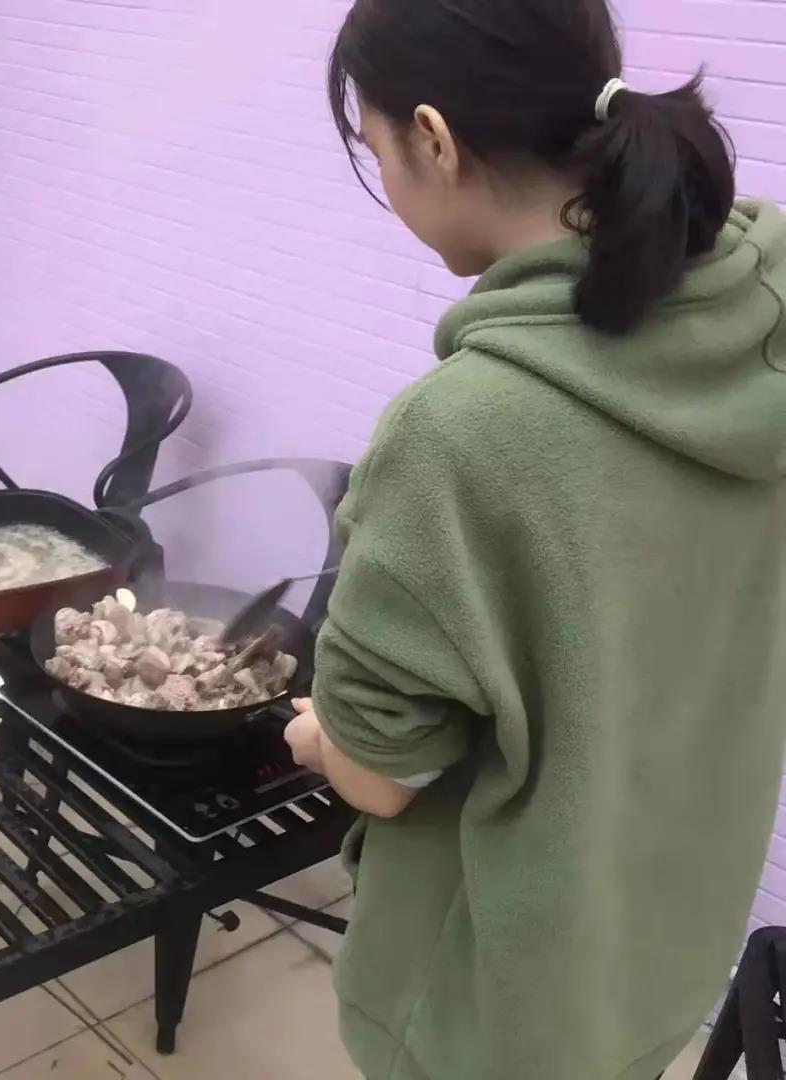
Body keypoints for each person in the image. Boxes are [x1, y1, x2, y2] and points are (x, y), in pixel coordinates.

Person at [282, 1, 786, 1078]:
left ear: (433, 138)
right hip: (668, 930)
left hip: (500, 996)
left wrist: (322, 736)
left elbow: (381, 776)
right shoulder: (765, 308)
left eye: (376, 150)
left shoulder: (458, 433)